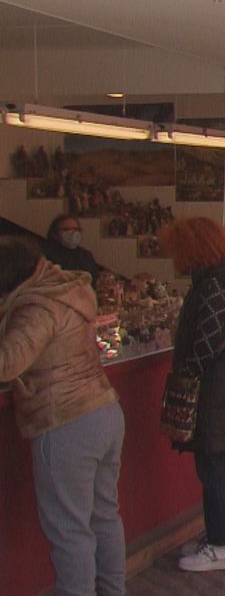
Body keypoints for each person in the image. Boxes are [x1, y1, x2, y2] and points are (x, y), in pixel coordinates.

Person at [0, 237, 125, 594]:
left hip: (65, 421)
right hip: (105, 410)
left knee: (70, 530)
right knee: (104, 515)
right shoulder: (66, 290)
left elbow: (8, 362)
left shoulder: (36, 308)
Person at [158, 217, 225, 573]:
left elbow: (204, 345)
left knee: (213, 470)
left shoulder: (213, 288)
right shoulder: (221, 284)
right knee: (214, 469)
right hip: (220, 393)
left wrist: (184, 374)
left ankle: (222, 545)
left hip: (213, 395)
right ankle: (217, 537)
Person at [42, 214, 103, 280]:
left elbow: (94, 278)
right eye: (66, 229)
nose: (72, 233)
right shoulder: (46, 254)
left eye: (76, 229)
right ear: (54, 234)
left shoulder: (86, 255)